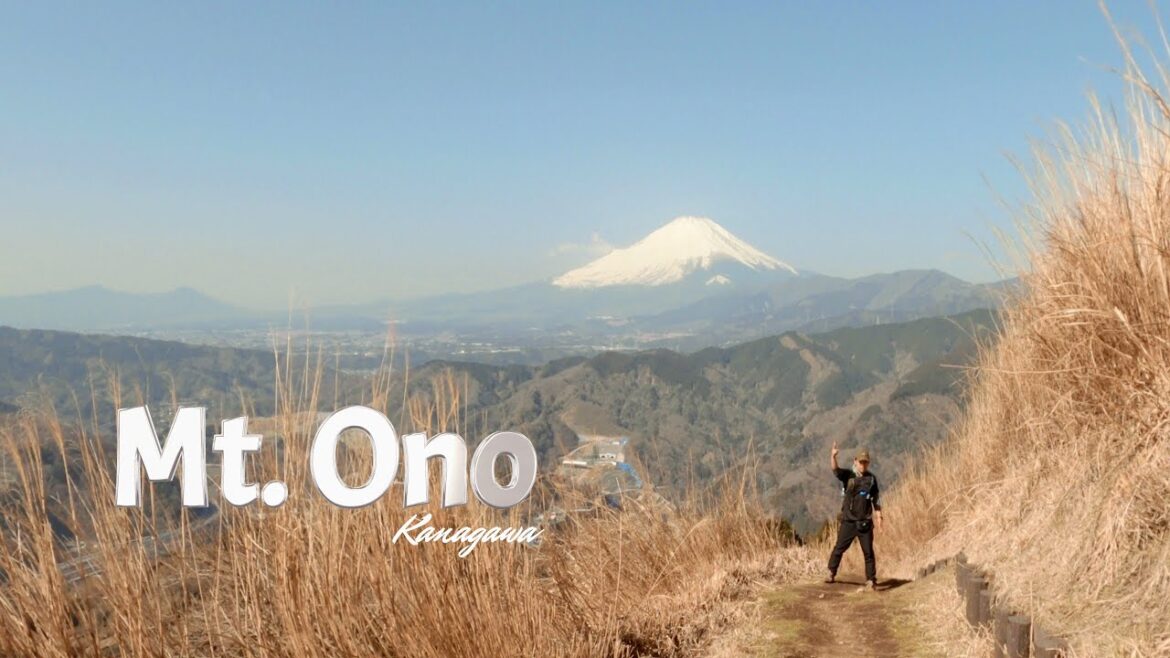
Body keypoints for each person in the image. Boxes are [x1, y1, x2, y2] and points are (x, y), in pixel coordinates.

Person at [825, 441, 882, 589]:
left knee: (868, 553)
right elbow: (835, 470)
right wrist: (833, 457)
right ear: (855, 461)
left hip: (865, 523)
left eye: (865, 462)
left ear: (868, 463)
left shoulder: (871, 479)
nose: (863, 465)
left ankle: (871, 580)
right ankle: (831, 572)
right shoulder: (848, 476)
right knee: (839, 548)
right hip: (849, 521)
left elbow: (876, 499)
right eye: (860, 462)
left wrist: (879, 517)